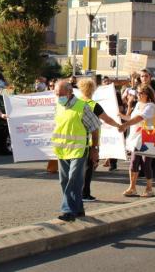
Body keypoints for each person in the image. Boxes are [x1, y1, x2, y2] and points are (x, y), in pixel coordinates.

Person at [51, 79, 102, 222]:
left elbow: (95, 127)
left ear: (70, 92)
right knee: (64, 181)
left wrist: (95, 148)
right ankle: (78, 209)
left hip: (79, 151)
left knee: (74, 180)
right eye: (56, 94)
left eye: (61, 94)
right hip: (62, 150)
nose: (59, 97)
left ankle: (68, 210)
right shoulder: (59, 105)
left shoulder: (82, 107)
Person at [77, 78, 122, 201]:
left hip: (77, 140)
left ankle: (77, 193)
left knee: (78, 169)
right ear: (93, 89)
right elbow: (107, 119)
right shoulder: (93, 105)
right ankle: (85, 194)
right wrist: (119, 126)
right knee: (88, 167)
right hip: (91, 140)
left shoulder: (76, 102)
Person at [119, 85, 155, 197]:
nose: (139, 95)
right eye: (138, 92)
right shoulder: (138, 105)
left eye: (141, 93)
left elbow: (140, 118)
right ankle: (132, 188)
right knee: (133, 162)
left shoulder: (150, 106)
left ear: (147, 94)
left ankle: (149, 188)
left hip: (148, 137)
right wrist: (120, 116)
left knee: (146, 163)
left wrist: (125, 125)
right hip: (136, 138)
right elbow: (132, 118)